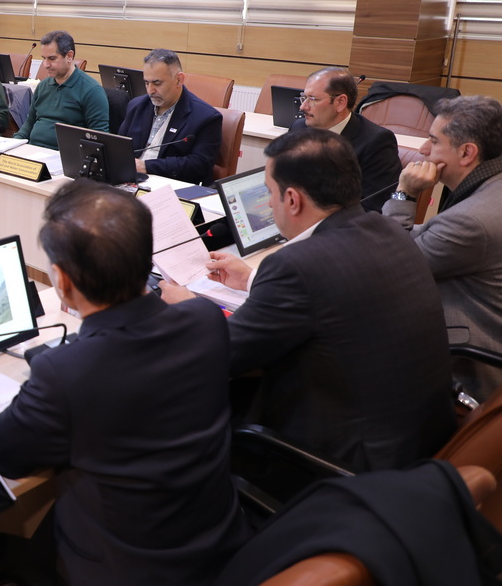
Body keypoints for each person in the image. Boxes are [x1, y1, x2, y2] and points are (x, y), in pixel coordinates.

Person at [0, 179, 250, 585]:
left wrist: (53, 367)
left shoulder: (64, 371)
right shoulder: (204, 319)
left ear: (63, 281)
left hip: (123, 567)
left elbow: (5, 455)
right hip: (220, 544)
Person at [162, 128, 454, 472]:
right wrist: (251, 279)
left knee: (180, 408)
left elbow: (223, 356)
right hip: (420, 437)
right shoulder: (387, 228)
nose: (269, 203)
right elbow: (329, 295)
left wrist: (189, 306)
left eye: (269, 193)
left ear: (292, 200)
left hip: (350, 463)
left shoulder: (296, 265)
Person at [383, 96, 502, 395]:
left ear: (467, 153)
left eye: (434, 141)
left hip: (470, 370)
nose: (423, 149)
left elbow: (391, 265)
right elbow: (432, 236)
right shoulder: (492, 190)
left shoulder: (471, 220)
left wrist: (405, 193)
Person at [289, 67, 401, 211]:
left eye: (313, 99)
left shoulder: (376, 142)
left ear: (340, 102)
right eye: (304, 97)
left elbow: (373, 206)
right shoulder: (298, 128)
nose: (303, 106)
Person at [117, 48, 222, 185]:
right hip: (129, 181)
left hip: (171, 184)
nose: (150, 90)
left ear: (179, 80)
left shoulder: (206, 117)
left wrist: (147, 166)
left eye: (157, 83)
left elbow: (199, 164)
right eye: (146, 83)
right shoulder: (136, 106)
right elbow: (120, 147)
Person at [13, 30, 108, 149]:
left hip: (64, 156)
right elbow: (29, 123)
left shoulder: (92, 91)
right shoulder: (43, 85)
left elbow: (98, 139)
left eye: (52, 58)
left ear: (69, 56)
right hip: (32, 152)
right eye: (44, 58)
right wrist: (13, 144)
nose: (45, 64)